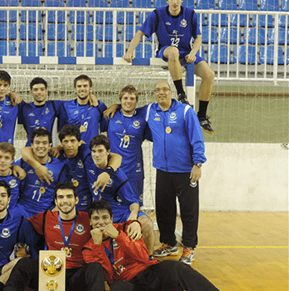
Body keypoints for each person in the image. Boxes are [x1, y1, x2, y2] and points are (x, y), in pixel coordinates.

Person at [83, 200, 257, 291]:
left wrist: (119, 237)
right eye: (96, 218)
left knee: (177, 268)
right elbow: (107, 275)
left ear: (112, 219)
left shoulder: (127, 228)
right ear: (90, 222)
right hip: (131, 288)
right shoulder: (89, 248)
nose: (101, 222)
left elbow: (143, 256)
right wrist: (98, 245)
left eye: (105, 217)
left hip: (151, 273)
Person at [0, 181, 114, 291]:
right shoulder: (45, 217)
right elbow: (15, 221)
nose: (65, 201)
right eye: (60, 197)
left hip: (76, 277)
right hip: (49, 275)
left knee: (95, 267)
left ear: (76, 200)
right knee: (23, 263)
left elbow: (110, 225)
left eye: (69, 196)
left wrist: (134, 223)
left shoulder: (87, 219)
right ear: (55, 201)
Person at [123, 0, 215, 134]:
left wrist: (193, 53)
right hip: (167, 52)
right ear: (167, 0)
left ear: (182, 0)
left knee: (209, 74)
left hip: (186, 53)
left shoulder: (190, 14)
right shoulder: (157, 14)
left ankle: (202, 116)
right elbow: (140, 33)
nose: (175, 1)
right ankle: (181, 94)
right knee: (173, 50)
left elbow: (198, 37)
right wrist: (129, 52)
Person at [146, 81, 206, 264]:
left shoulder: (185, 111)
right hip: (163, 170)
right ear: (154, 94)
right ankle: (168, 243)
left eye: (165, 90)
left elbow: (197, 137)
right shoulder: (150, 111)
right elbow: (129, 108)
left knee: (188, 211)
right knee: (164, 209)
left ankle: (188, 248)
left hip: (186, 170)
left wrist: (198, 163)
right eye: (157, 90)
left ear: (171, 92)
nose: (161, 93)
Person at [88, 135, 154, 252]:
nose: (96, 155)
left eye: (100, 151)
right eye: (94, 151)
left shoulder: (117, 175)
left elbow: (133, 201)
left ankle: (149, 261)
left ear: (108, 152)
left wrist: (133, 219)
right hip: (99, 215)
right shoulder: (88, 165)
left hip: (118, 214)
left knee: (147, 224)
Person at [102, 85, 151, 207]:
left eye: (132, 98)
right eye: (125, 98)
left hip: (134, 170)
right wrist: (115, 106)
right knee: (111, 206)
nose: (128, 101)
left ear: (136, 101)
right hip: (113, 168)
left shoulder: (142, 118)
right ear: (120, 100)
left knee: (133, 205)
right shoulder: (111, 116)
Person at [15, 128, 69, 218]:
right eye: (37, 143)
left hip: (46, 211)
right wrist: (14, 167)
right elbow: (6, 169)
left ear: (49, 146)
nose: (41, 146)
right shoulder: (22, 163)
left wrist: (55, 211)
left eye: (44, 143)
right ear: (31, 145)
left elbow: (64, 191)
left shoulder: (60, 166)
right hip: (23, 209)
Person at [59, 74, 107, 146]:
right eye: (79, 86)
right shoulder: (66, 106)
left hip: (92, 150)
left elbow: (105, 126)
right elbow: (62, 131)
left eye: (85, 86)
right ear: (75, 89)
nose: (82, 88)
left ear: (90, 89)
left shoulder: (99, 105)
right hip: (74, 150)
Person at [17, 77, 64, 146]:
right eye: (35, 90)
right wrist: (12, 94)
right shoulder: (25, 107)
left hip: (47, 147)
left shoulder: (54, 105)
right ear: (31, 92)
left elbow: (75, 103)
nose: (39, 92)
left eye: (42, 89)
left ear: (46, 92)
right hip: (30, 148)